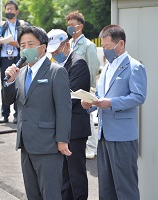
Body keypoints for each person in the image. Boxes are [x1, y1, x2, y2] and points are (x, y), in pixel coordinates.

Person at [2, 26, 72, 200]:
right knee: (32, 194)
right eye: (22, 45)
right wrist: (9, 82)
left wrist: (62, 140)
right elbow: (9, 101)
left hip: (48, 145)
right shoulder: (21, 73)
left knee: (51, 194)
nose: (26, 49)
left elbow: (64, 108)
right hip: (26, 143)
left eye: (30, 44)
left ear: (43, 47)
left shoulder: (56, 72)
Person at [81, 24, 147, 200]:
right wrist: (91, 104)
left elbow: (139, 97)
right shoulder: (108, 67)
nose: (105, 51)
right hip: (104, 135)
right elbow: (102, 96)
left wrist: (111, 103)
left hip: (123, 137)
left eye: (108, 47)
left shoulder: (134, 67)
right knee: (106, 187)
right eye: (103, 47)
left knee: (126, 188)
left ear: (121, 44)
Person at [47, 29, 91, 200]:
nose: (54, 55)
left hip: (75, 129)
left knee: (76, 175)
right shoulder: (60, 64)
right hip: (64, 129)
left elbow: (68, 98)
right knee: (64, 175)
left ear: (66, 45)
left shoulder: (77, 63)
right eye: (51, 52)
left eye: (56, 51)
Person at [65, 10, 100, 159]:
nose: (70, 28)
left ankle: (91, 147)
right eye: (68, 25)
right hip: (72, 84)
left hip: (85, 86)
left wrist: (91, 89)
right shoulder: (70, 44)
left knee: (87, 117)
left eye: (72, 25)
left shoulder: (88, 45)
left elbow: (93, 67)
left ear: (80, 26)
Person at [0, 0, 28, 124]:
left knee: (19, 86)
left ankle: (18, 114)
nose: (9, 11)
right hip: (5, 60)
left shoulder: (23, 25)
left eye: (11, 9)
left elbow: (28, 43)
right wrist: (0, 42)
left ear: (16, 11)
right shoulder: (0, 26)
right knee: (5, 86)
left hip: (19, 60)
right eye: (7, 9)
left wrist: (15, 44)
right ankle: (4, 114)